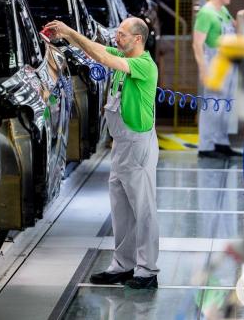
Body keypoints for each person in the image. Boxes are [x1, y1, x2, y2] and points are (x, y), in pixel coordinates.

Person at [44, 17, 160, 290]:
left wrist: (70, 31)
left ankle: (148, 270)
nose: (116, 38)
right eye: (117, 33)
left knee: (143, 210)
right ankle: (123, 265)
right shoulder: (123, 56)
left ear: (138, 39)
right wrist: (67, 36)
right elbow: (95, 49)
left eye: (122, 34)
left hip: (138, 146)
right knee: (121, 208)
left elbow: (103, 58)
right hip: (121, 145)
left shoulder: (143, 64)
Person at [192, 0, 243, 159]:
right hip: (214, 63)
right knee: (212, 105)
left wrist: (241, 16)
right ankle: (205, 146)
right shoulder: (206, 13)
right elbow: (197, 44)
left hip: (228, 61)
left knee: (225, 105)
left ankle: (221, 143)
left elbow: (234, 28)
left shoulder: (222, 10)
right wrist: (203, 69)